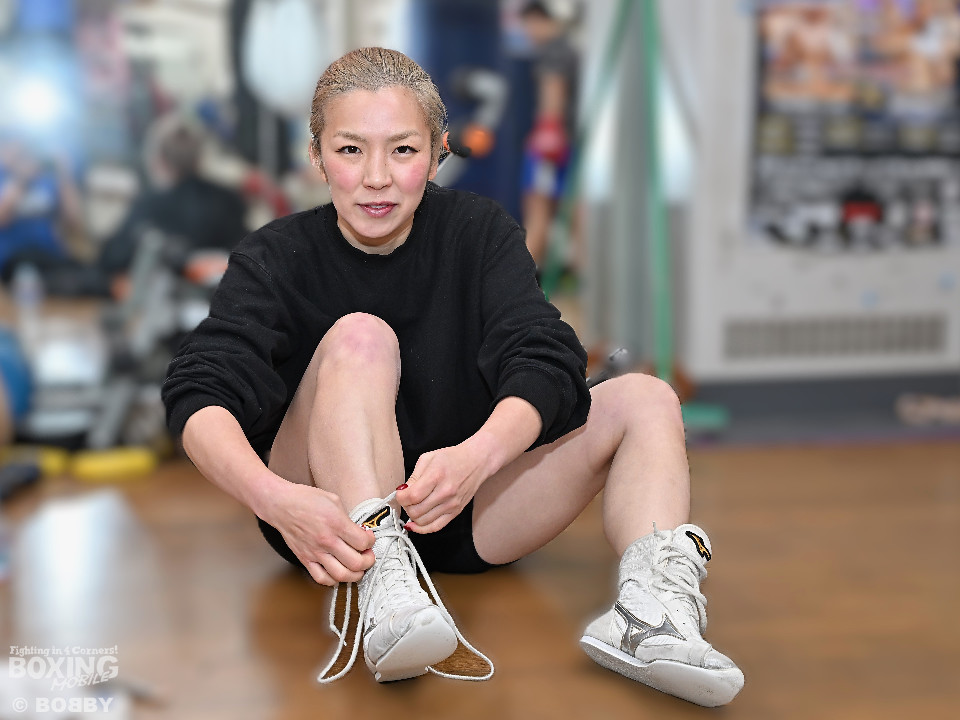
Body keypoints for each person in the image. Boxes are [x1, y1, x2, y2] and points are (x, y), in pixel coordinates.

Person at [162, 47, 744, 706]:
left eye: (403, 151)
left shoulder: (480, 231)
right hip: (329, 525)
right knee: (361, 335)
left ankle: (651, 620)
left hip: (463, 504)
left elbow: (546, 357)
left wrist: (479, 456)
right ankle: (385, 588)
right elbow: (198, 390)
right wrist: (273, 500)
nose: (377, 178)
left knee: (646, 396)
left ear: (437, 155)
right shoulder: (275, 255)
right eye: (350, 150)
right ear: (317, 156)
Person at [97, 114, 249, 283]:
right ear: (198, 159)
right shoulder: (229, 201)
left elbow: (109, 261)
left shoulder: (149, 206)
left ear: (158, 160)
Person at [518, 0, 579, 270]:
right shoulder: (568, 49)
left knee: (538, 209)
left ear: (540, 19)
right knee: (572, 211)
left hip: (551, 144)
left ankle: (518, 282)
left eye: (529, 26)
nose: (528, 33)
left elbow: (553, 92)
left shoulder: (554, 52)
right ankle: (582, 274)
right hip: (567, 143)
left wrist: (546, 136)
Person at [0, 131, 84, 282]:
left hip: (49, 255)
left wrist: (64, 173)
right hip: (13, 259)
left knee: (86, 274)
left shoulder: (47, 181)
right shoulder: (4, 179)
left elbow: (73, 220)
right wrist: (21, 180)